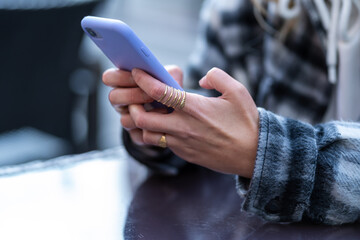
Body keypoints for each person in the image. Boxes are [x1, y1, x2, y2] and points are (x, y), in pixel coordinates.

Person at [102, 0, 360, 225]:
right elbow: (211, 114)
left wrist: (263, 151)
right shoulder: (242, 9)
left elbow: (244, 141)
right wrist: (163, 127)